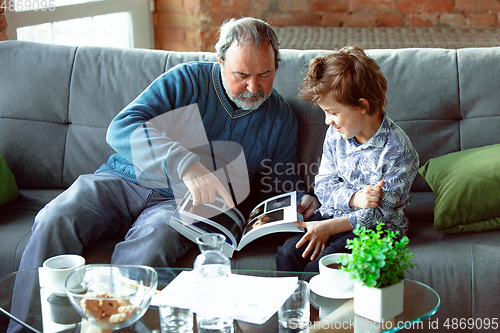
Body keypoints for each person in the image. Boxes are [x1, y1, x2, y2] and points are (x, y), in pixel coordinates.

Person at [17, 17, 319, 277]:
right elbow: (122, 127)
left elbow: (279, 184)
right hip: (121, 181)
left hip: (181, 206)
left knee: (151, 246)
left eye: (265, 74)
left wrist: (300, 199)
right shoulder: (187, 79)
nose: (254, 88)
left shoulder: (279, 117)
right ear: (220, 63)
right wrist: (185, 164)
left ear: (275, 66)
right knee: (54, 219)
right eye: (242, 75)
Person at [276, 45, 419, 273]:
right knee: (287, 253)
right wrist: (355, 198)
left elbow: (378, 213)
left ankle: (320, 309)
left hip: (376, 230)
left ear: (362, 106)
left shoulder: (398, 151)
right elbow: (323, 186)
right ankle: (293, 308)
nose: (327, 121)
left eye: (333, 112)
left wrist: (329, 228)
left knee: (321, 267)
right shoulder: (336, 134)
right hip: (336, 214)